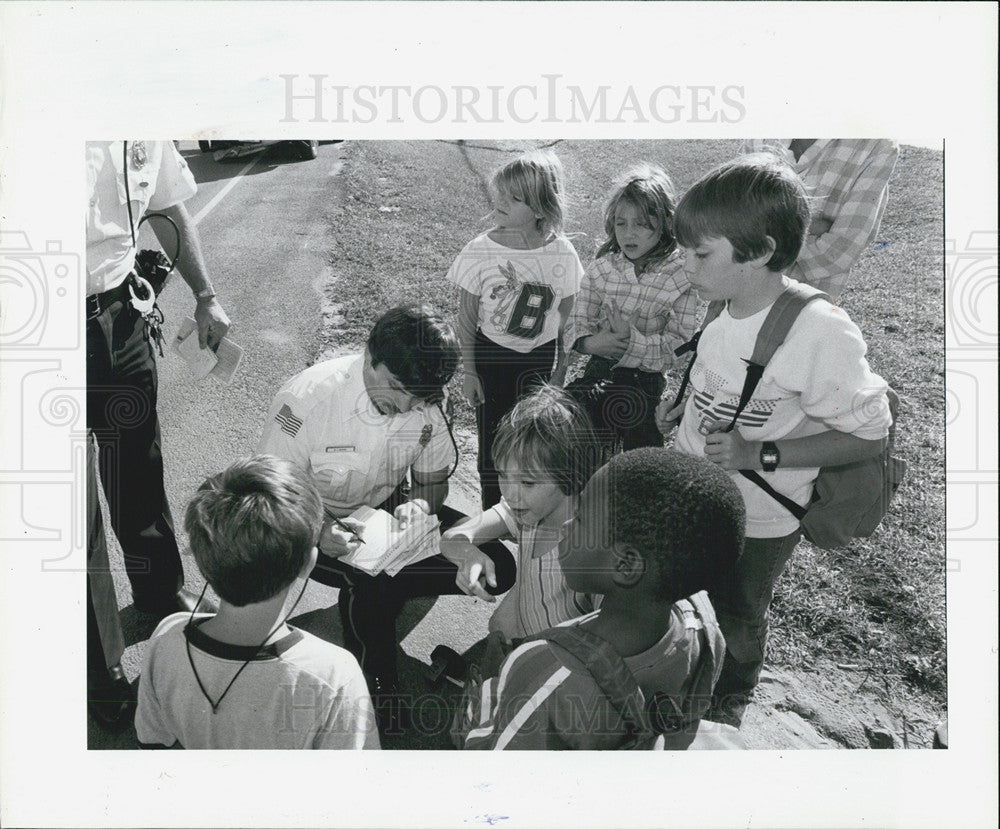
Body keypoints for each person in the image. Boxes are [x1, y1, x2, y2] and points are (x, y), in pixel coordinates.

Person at [657, 154, 892, 722]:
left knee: (738, 612)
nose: (683, 262)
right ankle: (681, 678)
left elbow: (871, 437)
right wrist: (682, 407)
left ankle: (726, 707)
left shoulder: (818, 331)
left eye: (700, 251)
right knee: (684, 593)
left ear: (760, 251)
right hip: (698, 496)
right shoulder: (724, 298)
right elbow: (726, 377)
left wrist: (756, 453)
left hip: (760, 520)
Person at [258, 305, 516, 727]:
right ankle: (375, 679)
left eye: (419, 398)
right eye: (397, 388)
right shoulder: (307, 399)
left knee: (498, 567)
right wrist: (320, 530)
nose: (406, 405)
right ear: (369, 355)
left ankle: (386, 593)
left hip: (389, 517)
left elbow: (432, 481)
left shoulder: (425, 399)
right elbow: (273, 492)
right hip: (310, 524)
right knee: (370, 587)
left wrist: (422, 505)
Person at [455, 448, 744, 750]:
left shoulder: (548, 670)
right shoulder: (701, 623)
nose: (566, 526)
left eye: (579, 519)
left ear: (625, 566)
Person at [135, 455, 379, 749]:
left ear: (202, 561)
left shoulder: (166, 638)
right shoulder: (335, 675)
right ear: (308, 565)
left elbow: (151, 740)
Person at [87, 140, 230, 619]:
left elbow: (168, 205)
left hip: (120, 316)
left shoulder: (143, 118)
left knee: (137, 466)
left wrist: (206, 295)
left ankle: (159, 593)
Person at [449, 148, 584, 509]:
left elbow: (566, 321)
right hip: (491, 358)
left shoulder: (563, 253)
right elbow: (465, 317)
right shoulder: (480, 250)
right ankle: (492, 516)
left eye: (515, 197)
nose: (501, 202)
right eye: (501, 193)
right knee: (492, 447)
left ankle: (528, 512)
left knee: (531, 445)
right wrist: (470, 371)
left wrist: (559, 374)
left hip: (537, 362)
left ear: (541, 207)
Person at [439, 385, 604, 644]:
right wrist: (468, 554)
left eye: (528, 482)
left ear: (571, 474)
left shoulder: (594, 550)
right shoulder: (523, 510)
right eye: (503, 475)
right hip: (522, 637)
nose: (510, 493)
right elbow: (453, 536)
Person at [571, 164, 702, 450]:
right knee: (579, 454)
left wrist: (631, 343)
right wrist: (592, 343)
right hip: (598, 375)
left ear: (665, 223)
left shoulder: (681, 275)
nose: (629, 233)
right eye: (621, 223)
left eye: (641, 224)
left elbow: (679, 347)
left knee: (639, 467)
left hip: (644, 387)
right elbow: (575, 322)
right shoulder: (602, 269)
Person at [740, 139, 899, 302]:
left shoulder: (876, 145)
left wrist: (756, 236)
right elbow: (732, 216)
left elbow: (839, 250)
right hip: (734, 295)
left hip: (801, 307)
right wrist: (811, 226)